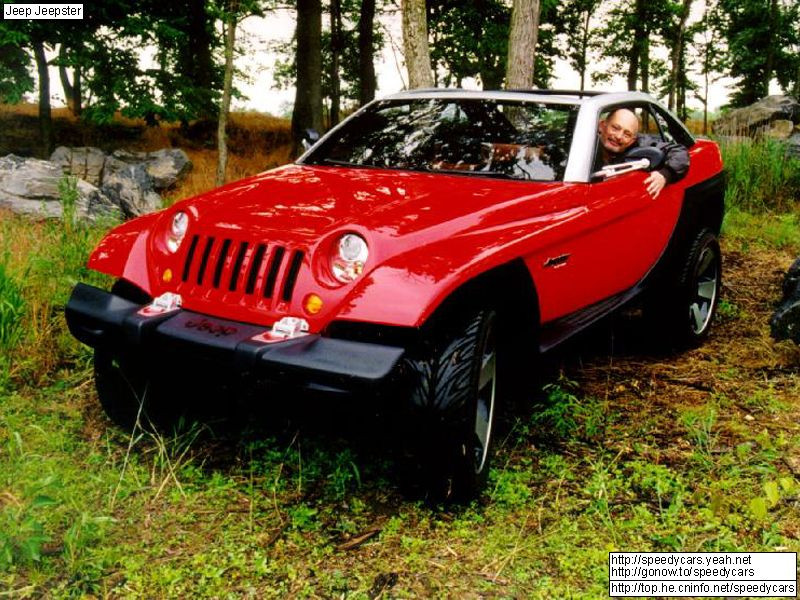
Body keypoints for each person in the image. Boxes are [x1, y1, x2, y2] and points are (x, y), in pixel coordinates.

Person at [597, 108, 690, 198]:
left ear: (632, 140)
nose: (619, 136)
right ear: (602, 125)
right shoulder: (584, 140)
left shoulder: (641, 143)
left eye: (627, 134)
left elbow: (679, 152)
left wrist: (665, 175)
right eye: (615, 128)